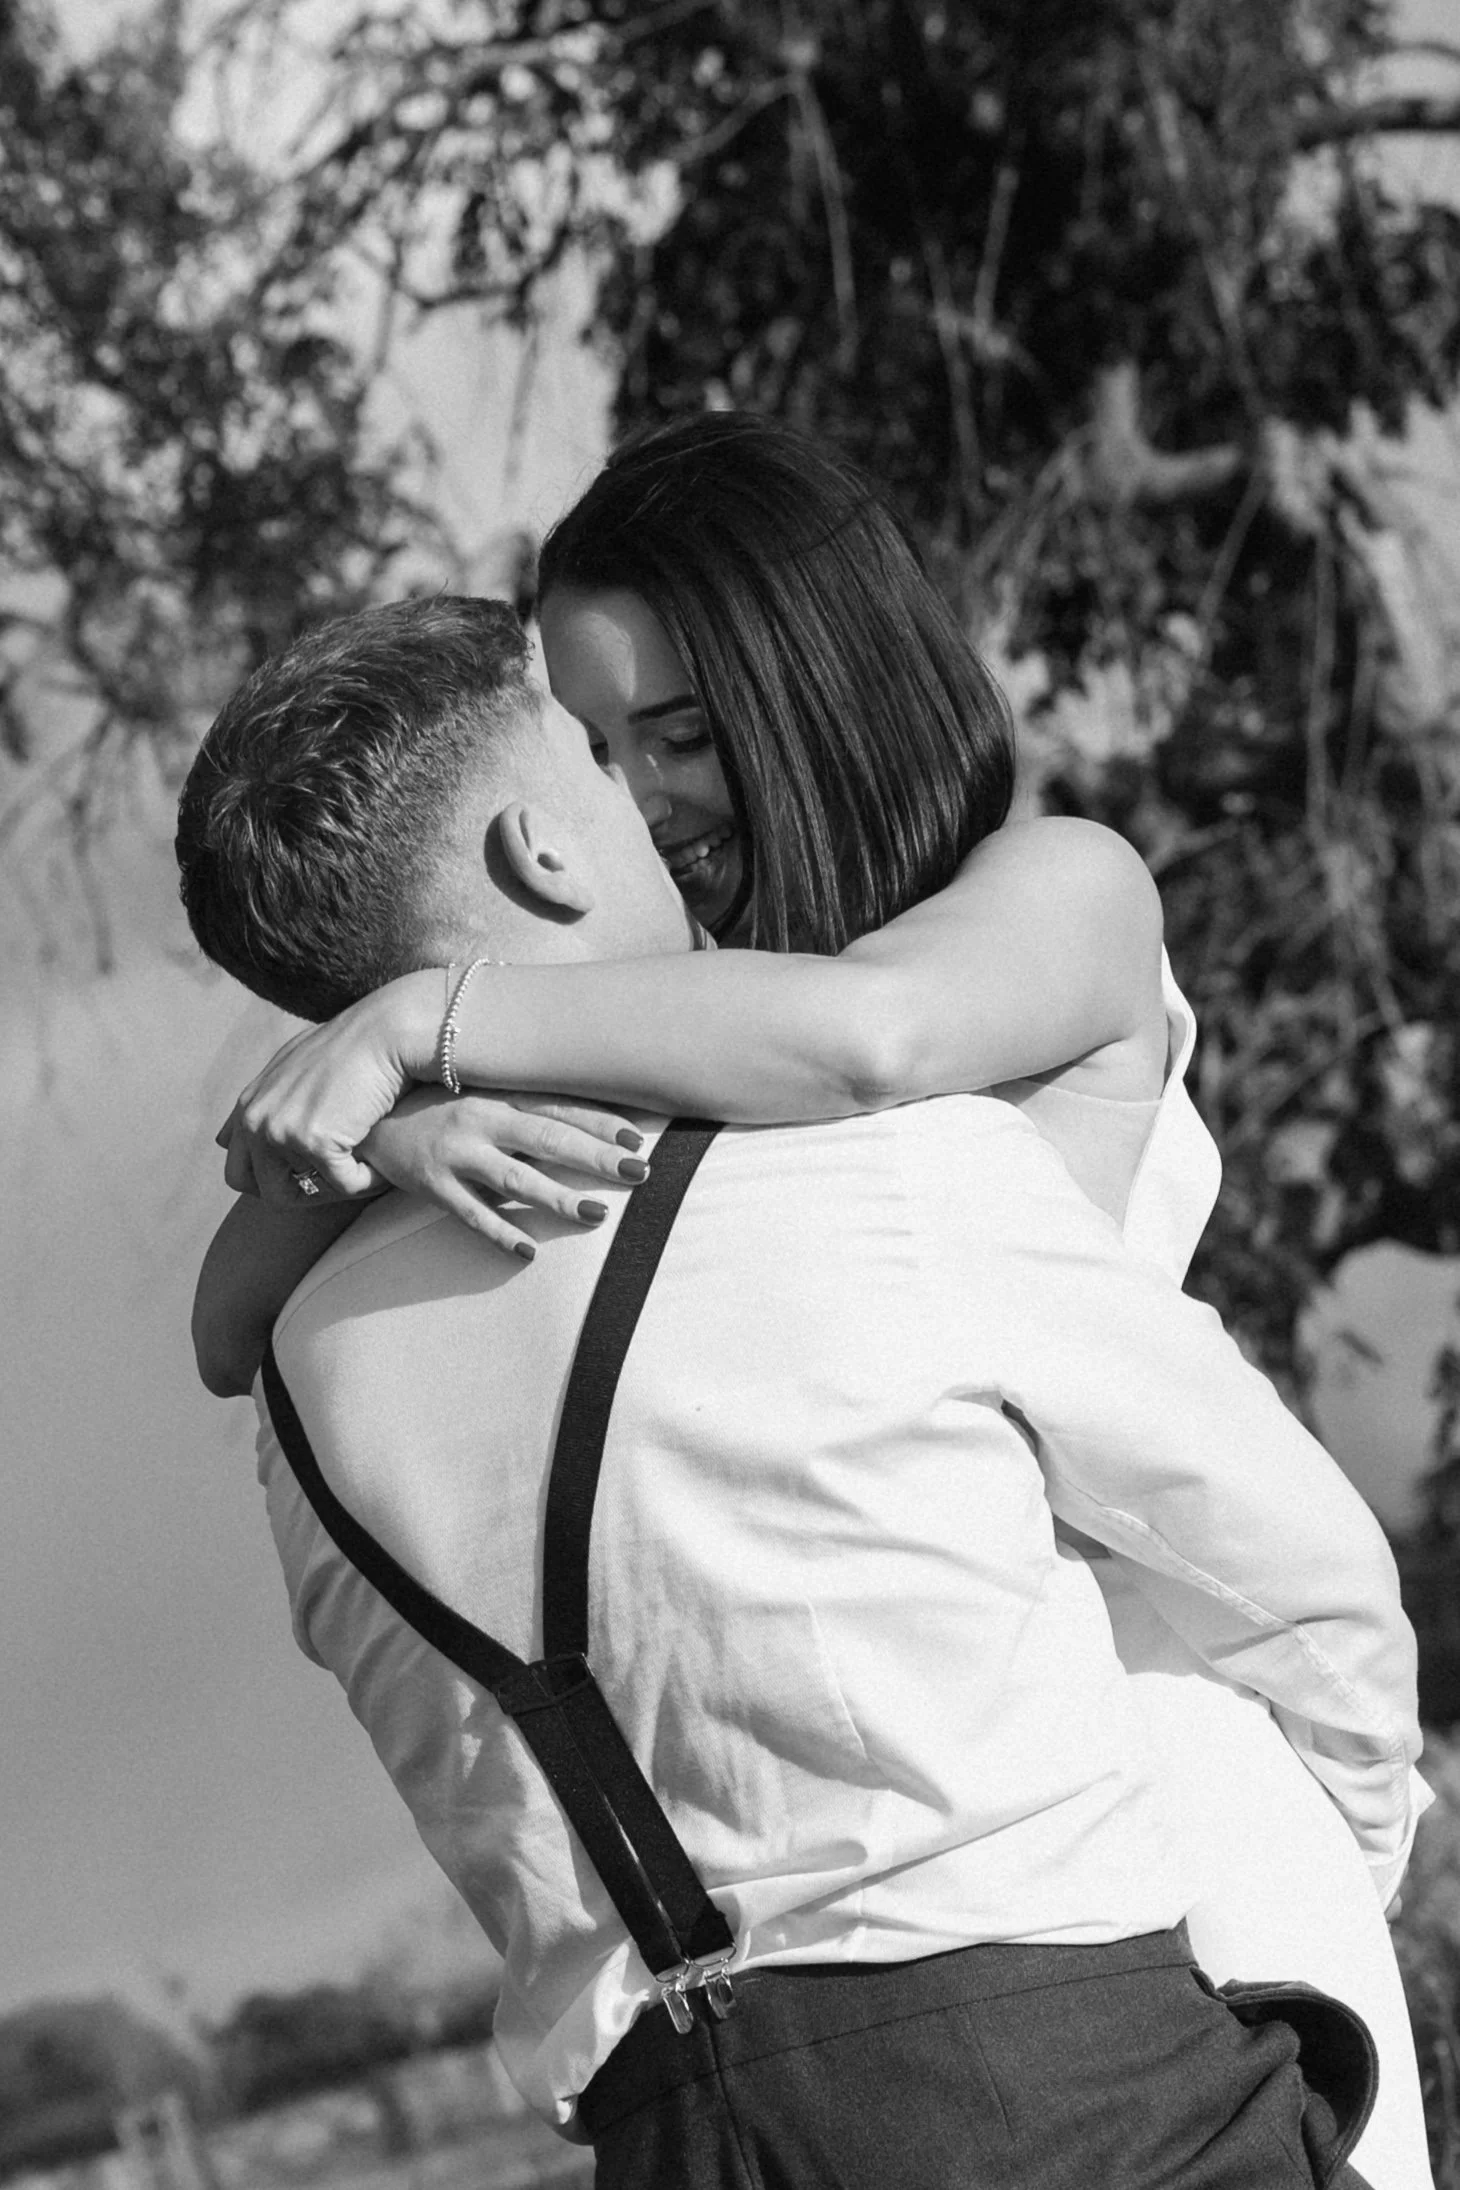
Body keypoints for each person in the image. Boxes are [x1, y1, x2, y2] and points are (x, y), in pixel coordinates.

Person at [193, 417, 1432, 2182]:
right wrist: (398, 1134)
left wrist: (418, 1026)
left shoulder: (1036, 898)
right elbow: (223, 1318)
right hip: (943, 1812)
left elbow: (871, 1042)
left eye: (679, 731)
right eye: (599, 748)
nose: (638, 795)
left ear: (812, 679)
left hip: (1157, 1750)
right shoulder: (673, 1054)